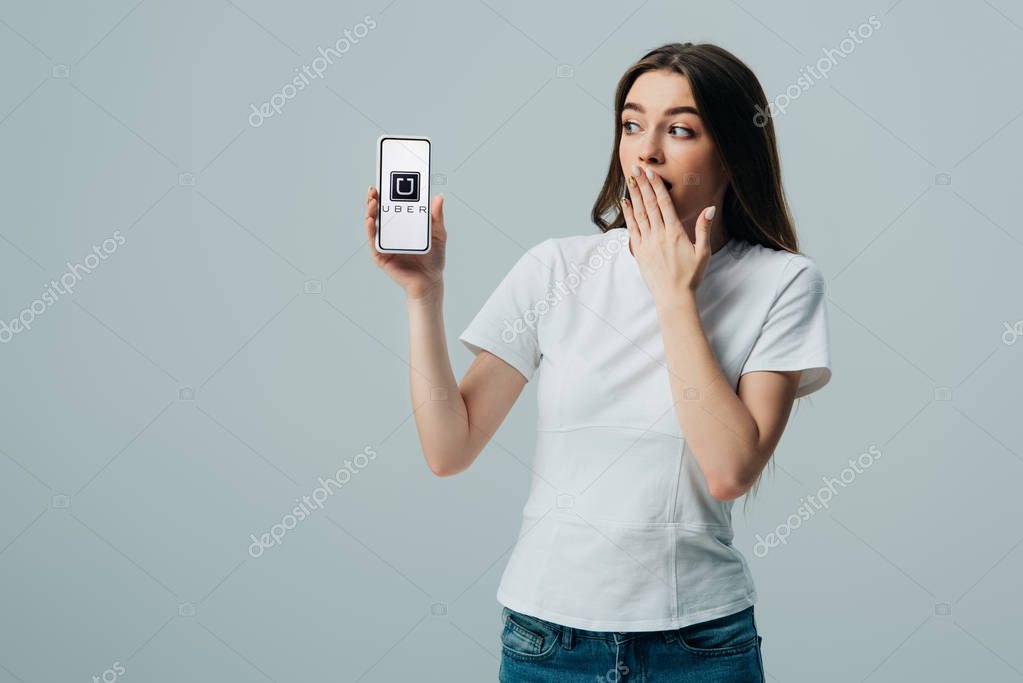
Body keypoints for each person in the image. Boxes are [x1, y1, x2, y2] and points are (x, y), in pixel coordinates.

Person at [364, 41, 832, 683]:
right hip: (548, 642)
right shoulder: (558, 268)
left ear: (730, 151)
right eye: (632, 124)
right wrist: (424, 295)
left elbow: (729, 469)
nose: (647, 150)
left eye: (680, 130)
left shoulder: (784, 282)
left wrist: (673, 295)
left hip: (699, 645)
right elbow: (450, 449)